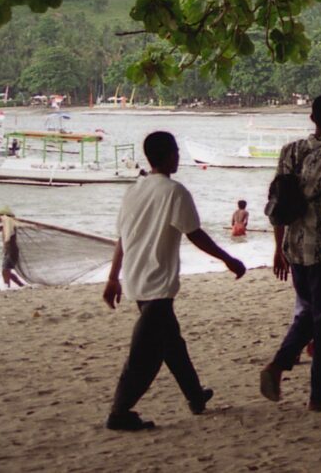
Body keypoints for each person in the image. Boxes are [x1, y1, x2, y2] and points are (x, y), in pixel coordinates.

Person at [103, 131, 246, 431]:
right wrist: (227, 259)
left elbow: (121, 238)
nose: (179, 156)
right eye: (176, 152)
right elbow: (194, 233)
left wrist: (113, 278)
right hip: (157, 283)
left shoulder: (134, 190)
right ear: (168, 155)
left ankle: (196, 396)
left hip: (135, 278)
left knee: (171, 343)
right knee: (145, 354)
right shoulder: (174, 192)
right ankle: (119, 412)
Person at [261, 94, 321, 413]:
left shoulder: (290, 151)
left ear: (312, 118)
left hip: (295, 249)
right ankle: (318, 396)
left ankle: (278, 365)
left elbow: (278, 204)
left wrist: (279, 248)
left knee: (309, 316)